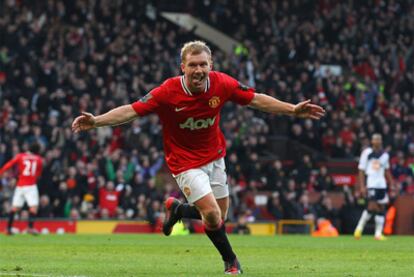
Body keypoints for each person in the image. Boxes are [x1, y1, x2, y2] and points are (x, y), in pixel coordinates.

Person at [72, 40, 325, 274]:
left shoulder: (222, 83)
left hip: (215, 157)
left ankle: (177, 209)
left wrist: (292, 109)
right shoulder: (167, 92)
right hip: (184, 163)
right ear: (182, 67)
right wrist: (96, 121)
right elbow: (131, 111)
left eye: (203, 64)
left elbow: (256, 100)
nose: (198, 70)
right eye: (192, 65)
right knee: (213, 216)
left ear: (210, 65)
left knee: (219, 217)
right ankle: (231, 262)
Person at [354, 134, 394, 241]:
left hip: (382, 184)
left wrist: (392, 183)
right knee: (372, 206)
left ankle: (377, 234)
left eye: (379, 139)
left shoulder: (385, 155)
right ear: (372, 141)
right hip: (371, 183)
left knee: (381, 208)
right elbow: (361, 170)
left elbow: (386, 170)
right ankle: (359, 228)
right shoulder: (366, 153)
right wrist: (362, 186)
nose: (377, 141)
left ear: (381, 141)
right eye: (375, 139)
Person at [0, 142, 43, 235]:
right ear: (37, 151)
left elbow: (9, 164)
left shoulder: (20, 156)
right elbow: (38, 174)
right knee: (33, 207)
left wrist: (1, 172)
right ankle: (30, 228)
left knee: (15, 208)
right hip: (31, 185)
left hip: (20, 185)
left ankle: (8, 229)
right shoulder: (38, 159)